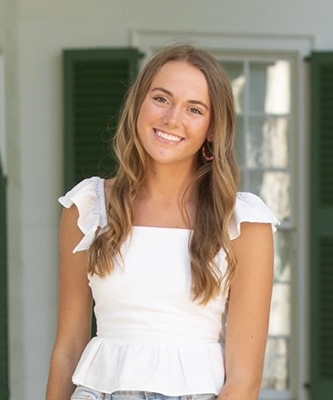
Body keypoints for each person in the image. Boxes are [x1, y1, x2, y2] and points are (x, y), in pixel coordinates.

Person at [46, 44, 279, 400]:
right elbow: (67, 349)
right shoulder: (89, 207)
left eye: (194, 109)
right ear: (138, 105)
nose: (172, 118)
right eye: (161, 99)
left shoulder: (244, 223)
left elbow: (244, 378)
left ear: (212, 129)